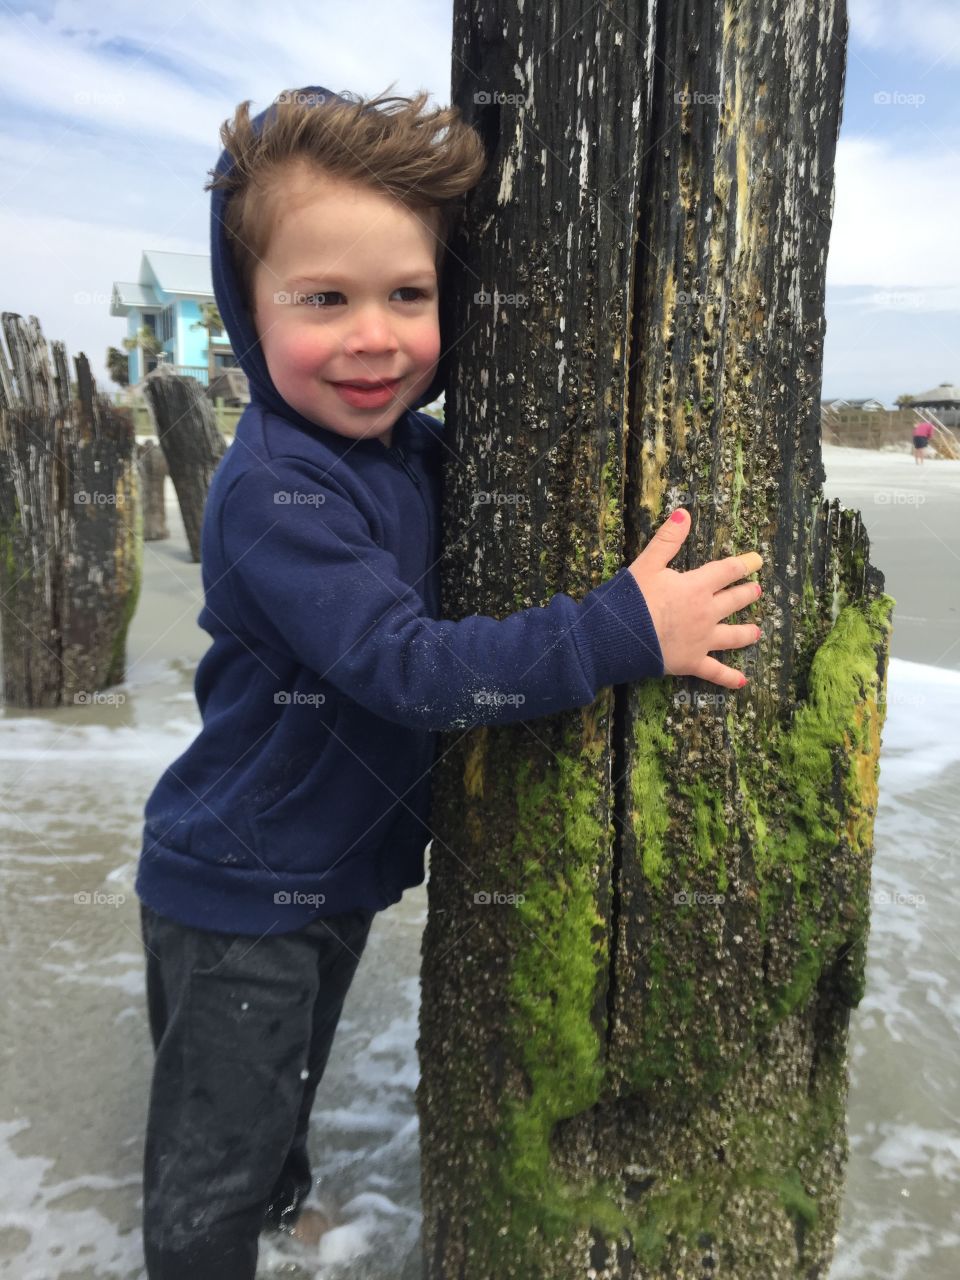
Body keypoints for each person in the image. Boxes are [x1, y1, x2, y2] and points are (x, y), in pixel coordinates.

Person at [134, 84, 765, 1280]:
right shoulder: (273, 490)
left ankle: (278, 1205)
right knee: (211, 1152)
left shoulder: (410, 451)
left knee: (283, 1081)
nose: (375, 336)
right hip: (237, 880)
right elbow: (413, 670)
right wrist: (622, 630)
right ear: (246, 310)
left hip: (328, 863)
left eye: (409, 295)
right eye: (324, 298)